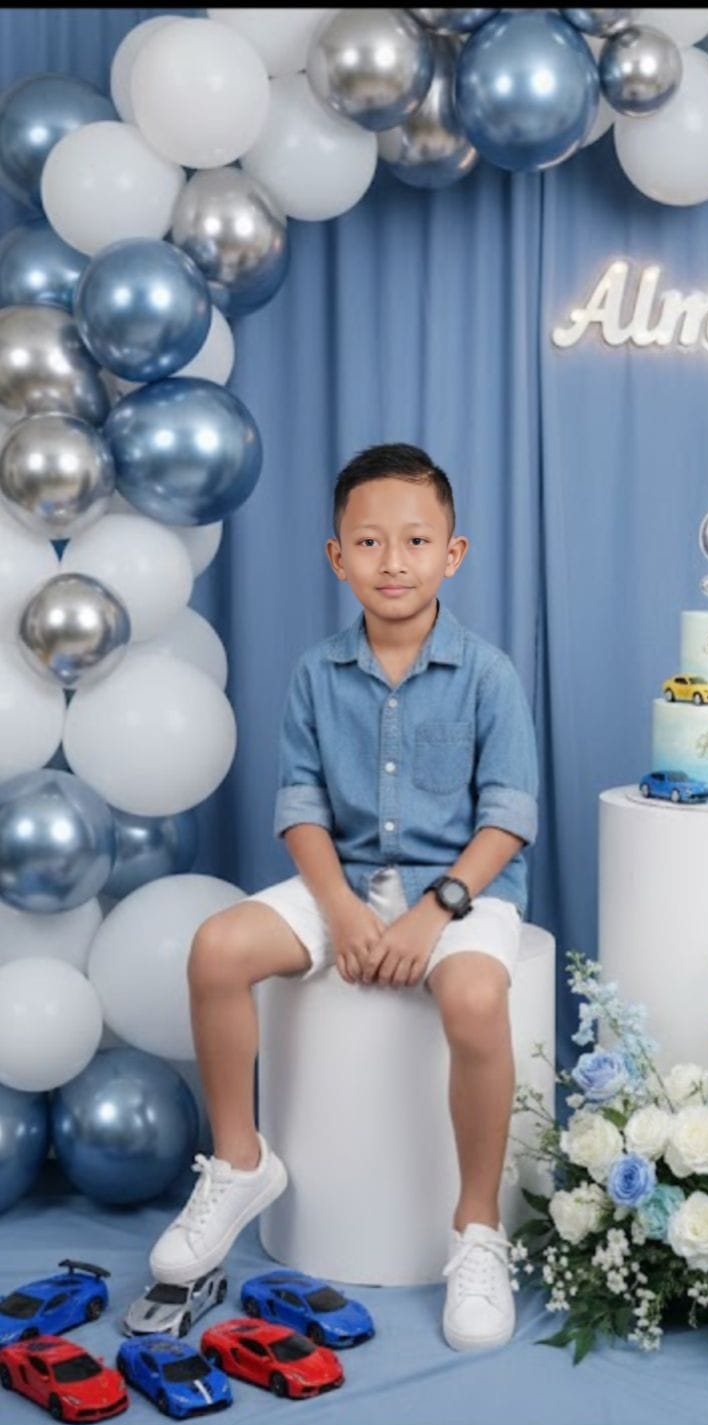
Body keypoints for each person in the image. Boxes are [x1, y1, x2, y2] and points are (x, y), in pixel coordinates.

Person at [148, 442, 539, 1353]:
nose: (392, 561)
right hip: (344, 879)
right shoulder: (316, 674)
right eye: (368, 541)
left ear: (453, 553)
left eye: (416, 540)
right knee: (216, 948)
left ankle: (476, 1228)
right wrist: (341, 909)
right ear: (337, 556)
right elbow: (302, 809)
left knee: (475, 998)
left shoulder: (488, 674)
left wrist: (434, 911)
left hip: (461, 889)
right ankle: (240, 1161)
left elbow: (508, 818)